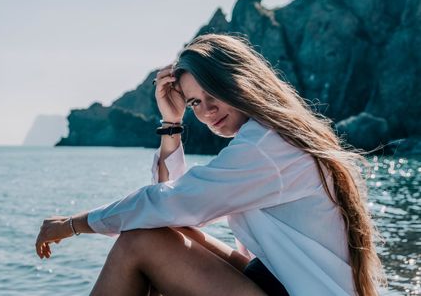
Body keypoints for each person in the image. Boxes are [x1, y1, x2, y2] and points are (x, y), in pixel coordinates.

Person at [35, 34, 384, 295]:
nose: (206, 111)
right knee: (161, 231)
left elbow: (169, 202)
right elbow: (174, 207)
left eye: (214, 93)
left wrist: (72, 224)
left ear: (241, 80)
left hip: (299, 290)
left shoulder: (264, 147)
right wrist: (172, 123)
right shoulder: (269, 137)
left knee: (139, 242)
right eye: (195, 102)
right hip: (283, 281)